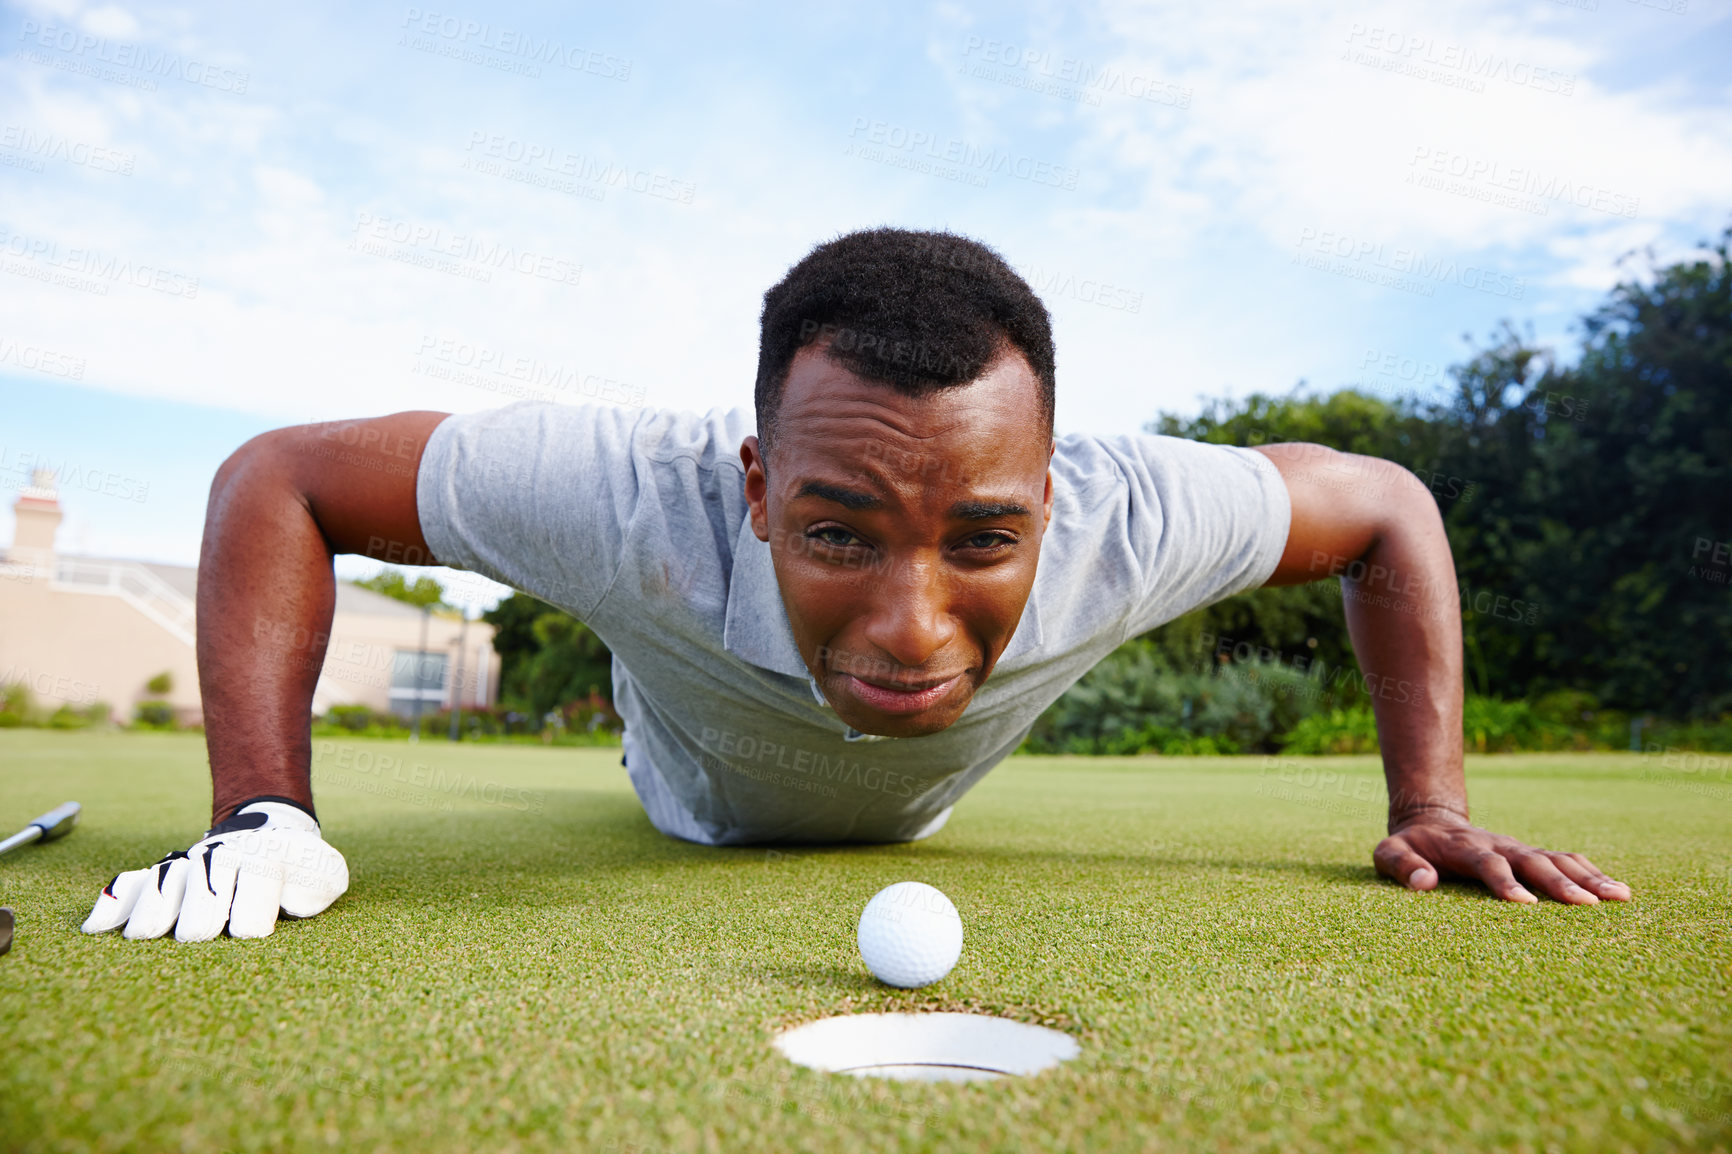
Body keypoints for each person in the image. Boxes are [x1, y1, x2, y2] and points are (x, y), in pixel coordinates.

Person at [82, 228, 1631, 942]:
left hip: (925, 810)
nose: (908, 628)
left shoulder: (1129, 512)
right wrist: (262, 808)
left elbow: (1387, 507)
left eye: (980, 537)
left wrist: (1431, 802)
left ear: (1049, 492)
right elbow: (277, 478)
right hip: (676, 776)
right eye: (835, 531)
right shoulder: (617, 493)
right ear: (755, 490)